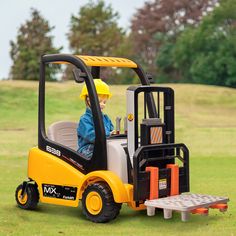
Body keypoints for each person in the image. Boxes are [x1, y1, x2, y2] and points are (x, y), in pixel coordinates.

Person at [77, 79, 115, 159]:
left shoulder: (106, 118)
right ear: (89, 100)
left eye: (104, 102)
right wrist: (108, 134)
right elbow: (93, 136)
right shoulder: (84, 120)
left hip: (103, 146)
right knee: (104, 155)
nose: (103, 105)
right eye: (100, 101)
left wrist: (114, 134)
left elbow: (112, 131)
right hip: (87, 150)